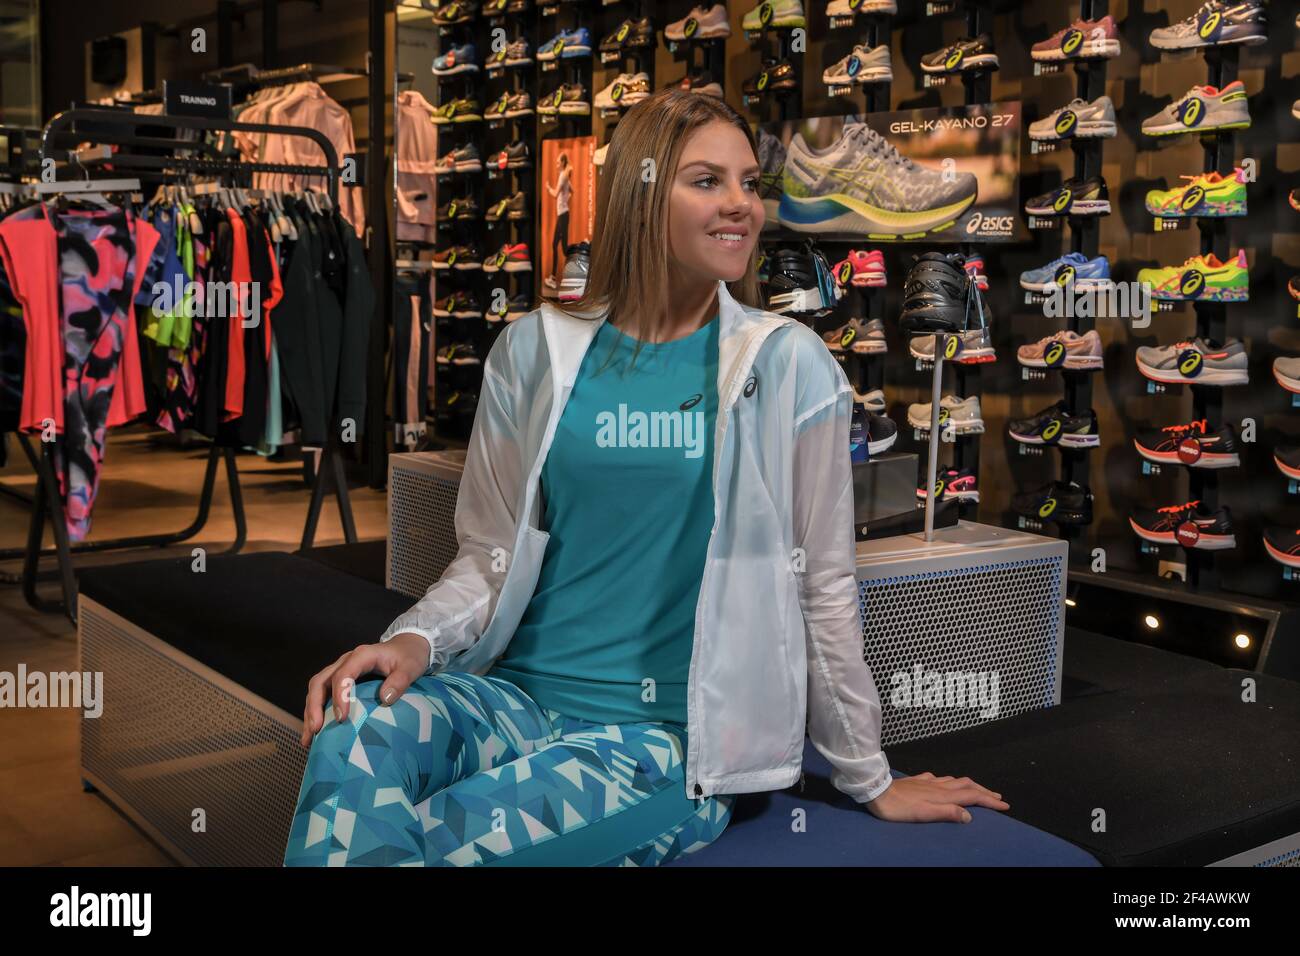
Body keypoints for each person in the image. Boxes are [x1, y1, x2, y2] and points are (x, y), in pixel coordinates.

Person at [285, 89, 1008, 867]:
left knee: (436, 839)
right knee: (354, 731)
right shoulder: (534, 351)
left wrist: (869, 777)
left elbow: (822, 585)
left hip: (661, 745)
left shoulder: (788, 364)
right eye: (707, 181)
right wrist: (418, 639)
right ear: (641, 194)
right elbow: (488, 556)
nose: (740, 206)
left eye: (749, 185)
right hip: (510, 701)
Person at [543, 150, 572, 291]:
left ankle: (555, 278)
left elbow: (555, 194)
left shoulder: (562, 176)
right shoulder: (564, 176)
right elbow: (571, 191)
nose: (556, 163)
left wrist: (548, 188)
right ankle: (556, 277)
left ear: (563, 163)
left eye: (558, 161)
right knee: (561, 247)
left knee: (560, 246)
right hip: (564, 214)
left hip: (563, 215)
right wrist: (566, 200)